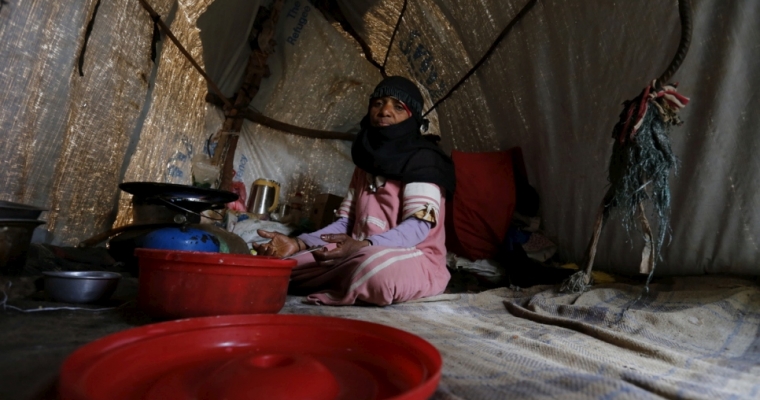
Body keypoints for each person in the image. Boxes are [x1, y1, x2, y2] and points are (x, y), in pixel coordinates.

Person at [253, 76, 456, 306]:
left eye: (398, 107)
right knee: (283, 268)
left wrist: (363, 246)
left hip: (415, 257)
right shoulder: (365, 162)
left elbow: (416, 229)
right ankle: (344, 277)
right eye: (378, 103)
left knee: (372, 271)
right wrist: (299, 243)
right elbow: (345, 224)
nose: (384, 111)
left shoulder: (425, 160)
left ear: (413, 118)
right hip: (358, 251)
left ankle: (344, 278)